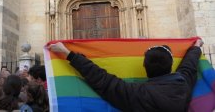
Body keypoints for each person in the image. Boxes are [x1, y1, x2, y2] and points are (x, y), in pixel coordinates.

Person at [48, 39, 204, 111]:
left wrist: (67, 53)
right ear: (171, 65)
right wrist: (196, 46)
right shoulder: (183, 84)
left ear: (144, 66)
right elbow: (189, 66)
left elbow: (102, 79)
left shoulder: (138, 94)